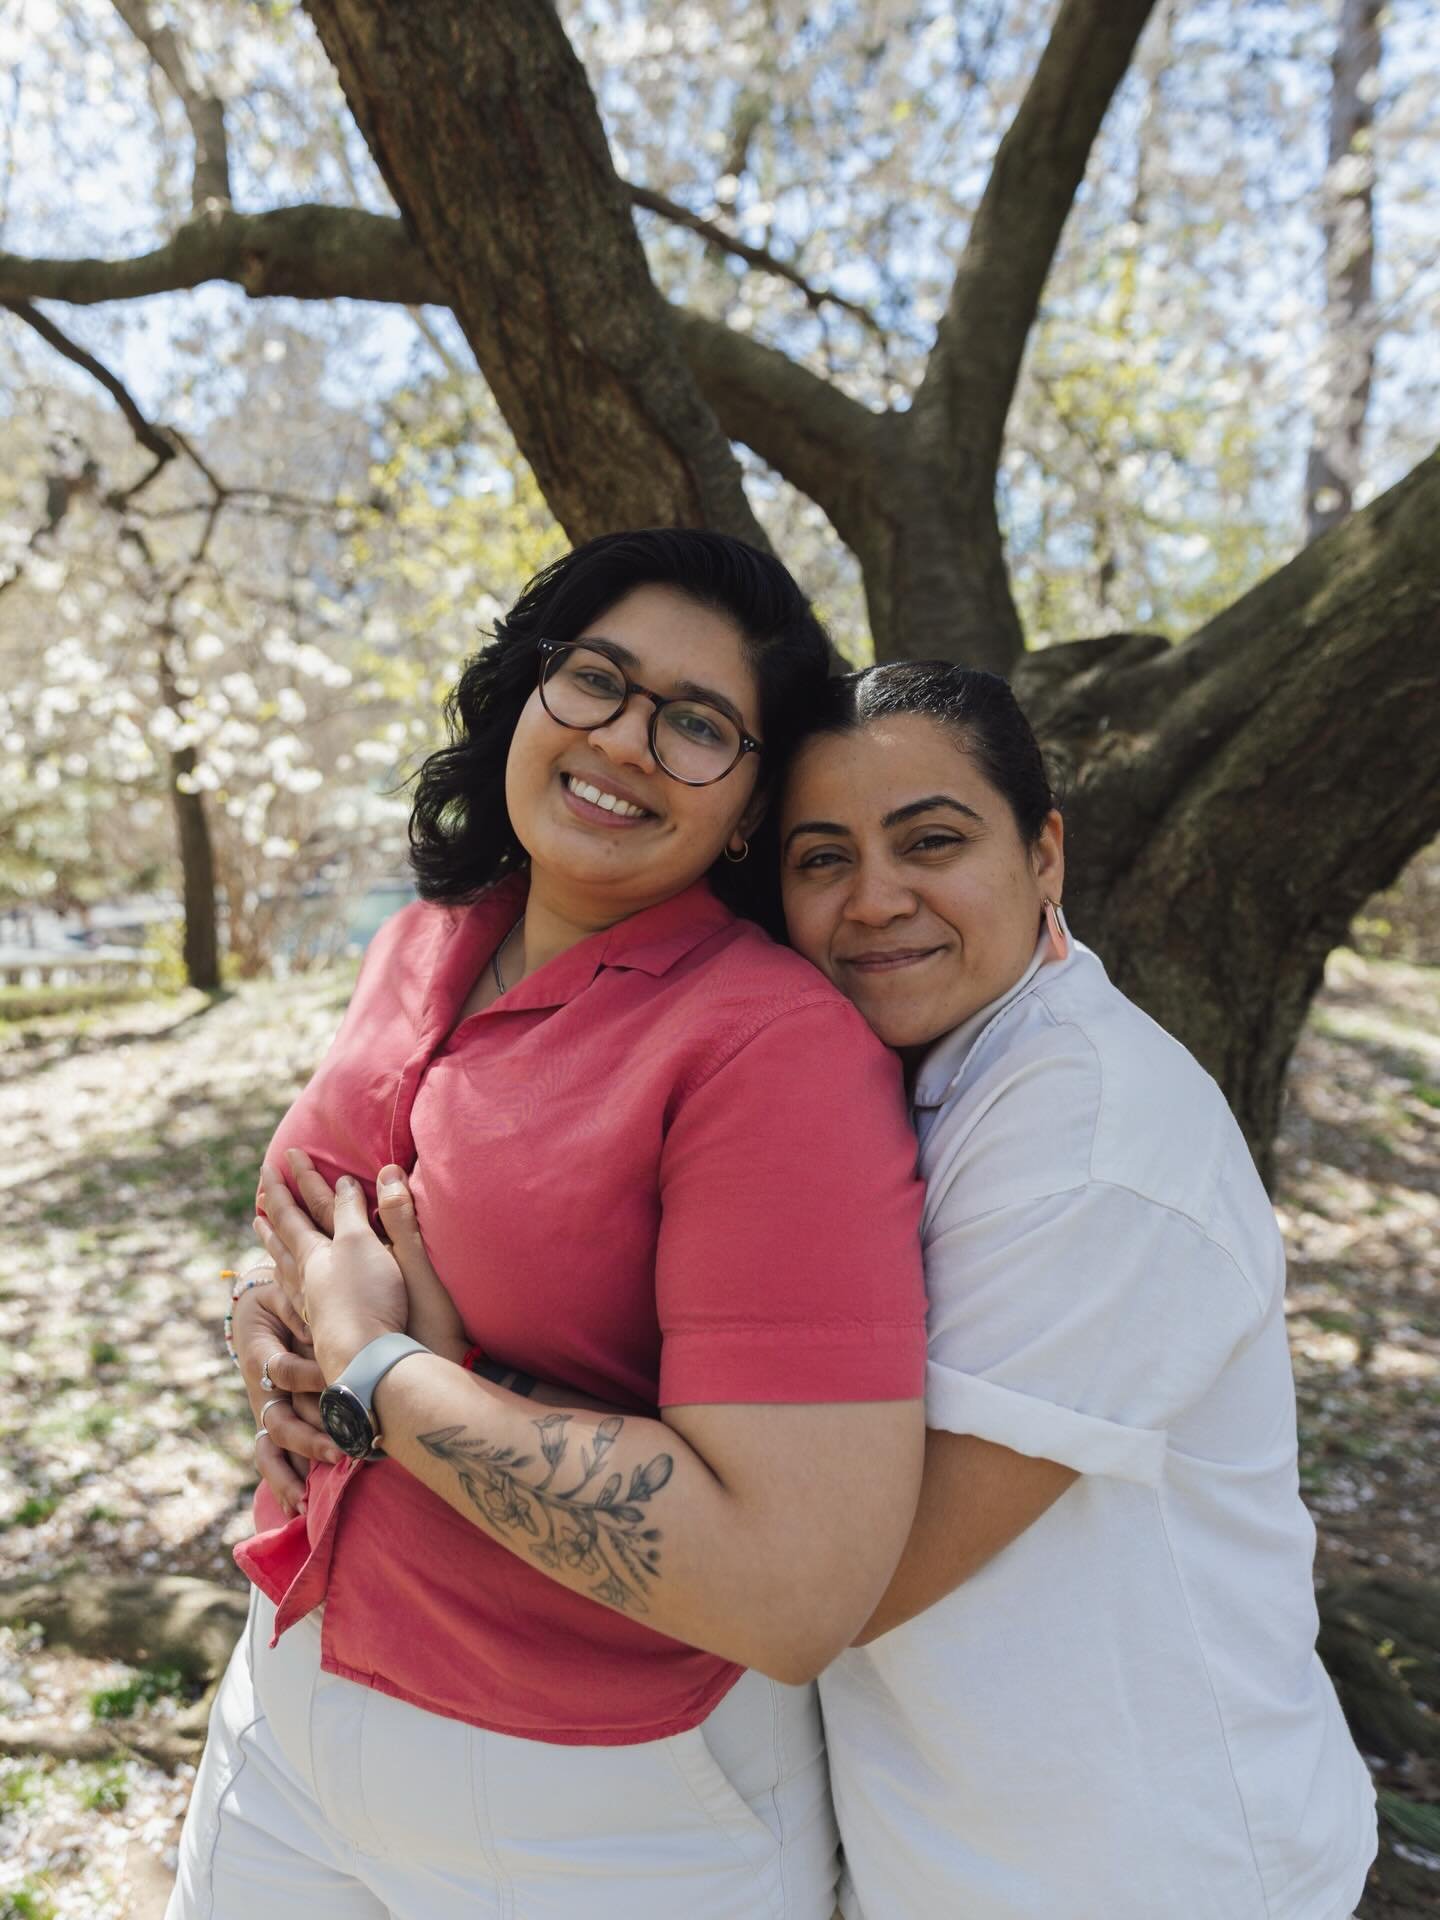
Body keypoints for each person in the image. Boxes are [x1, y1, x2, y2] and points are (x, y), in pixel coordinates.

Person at [170, 531, 929, 1920]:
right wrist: (263, 1316)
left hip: (590, 1803)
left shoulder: (773, 1052)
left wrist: (379, 1376)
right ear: (530, 692)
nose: (628, 739)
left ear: (754, 805)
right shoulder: (432, 935)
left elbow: (790, 1586)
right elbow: (318, 1216)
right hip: (289, 1699)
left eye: (700, 724)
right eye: (597, 679)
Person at [776, 661, 1378, 1920]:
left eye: (931, 840)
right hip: (960, 1858)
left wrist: (411, 1394)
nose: (877, 899)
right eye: (820, 859)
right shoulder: (908, 1086)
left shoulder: (1097, 1131)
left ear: (1045, 853)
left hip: (1155, 1869)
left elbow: (845, 1575)